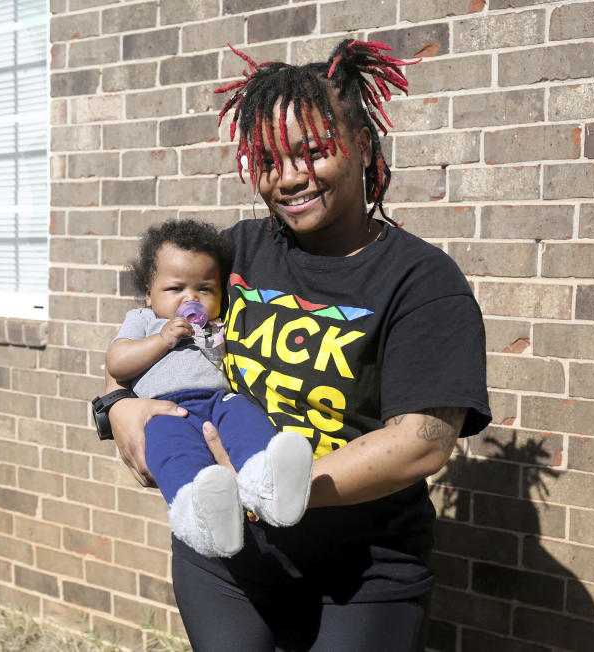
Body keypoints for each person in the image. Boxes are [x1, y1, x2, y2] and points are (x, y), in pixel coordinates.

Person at [100, 38, 491, 651]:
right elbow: (147, 335)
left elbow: (422, 443)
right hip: (227, 565)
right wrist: (117, 409)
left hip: (362, 574)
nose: (288, 177)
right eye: (269, 158)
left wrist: (278, 488)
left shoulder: (421, 280)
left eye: (313, 152)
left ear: (362, 144)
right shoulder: (239, 251)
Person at [106, 219, 314, 558]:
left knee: (247, 418)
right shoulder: (144, 320)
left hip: (219, 400)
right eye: (175, 289)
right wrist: (161, 339)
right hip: (164, 410)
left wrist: (211, 335)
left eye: (205, 289)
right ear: (149, 293)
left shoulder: (218, 324)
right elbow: (117, 362)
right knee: (175, 456)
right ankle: (200, 516)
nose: (191, 298)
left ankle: (268, 480)